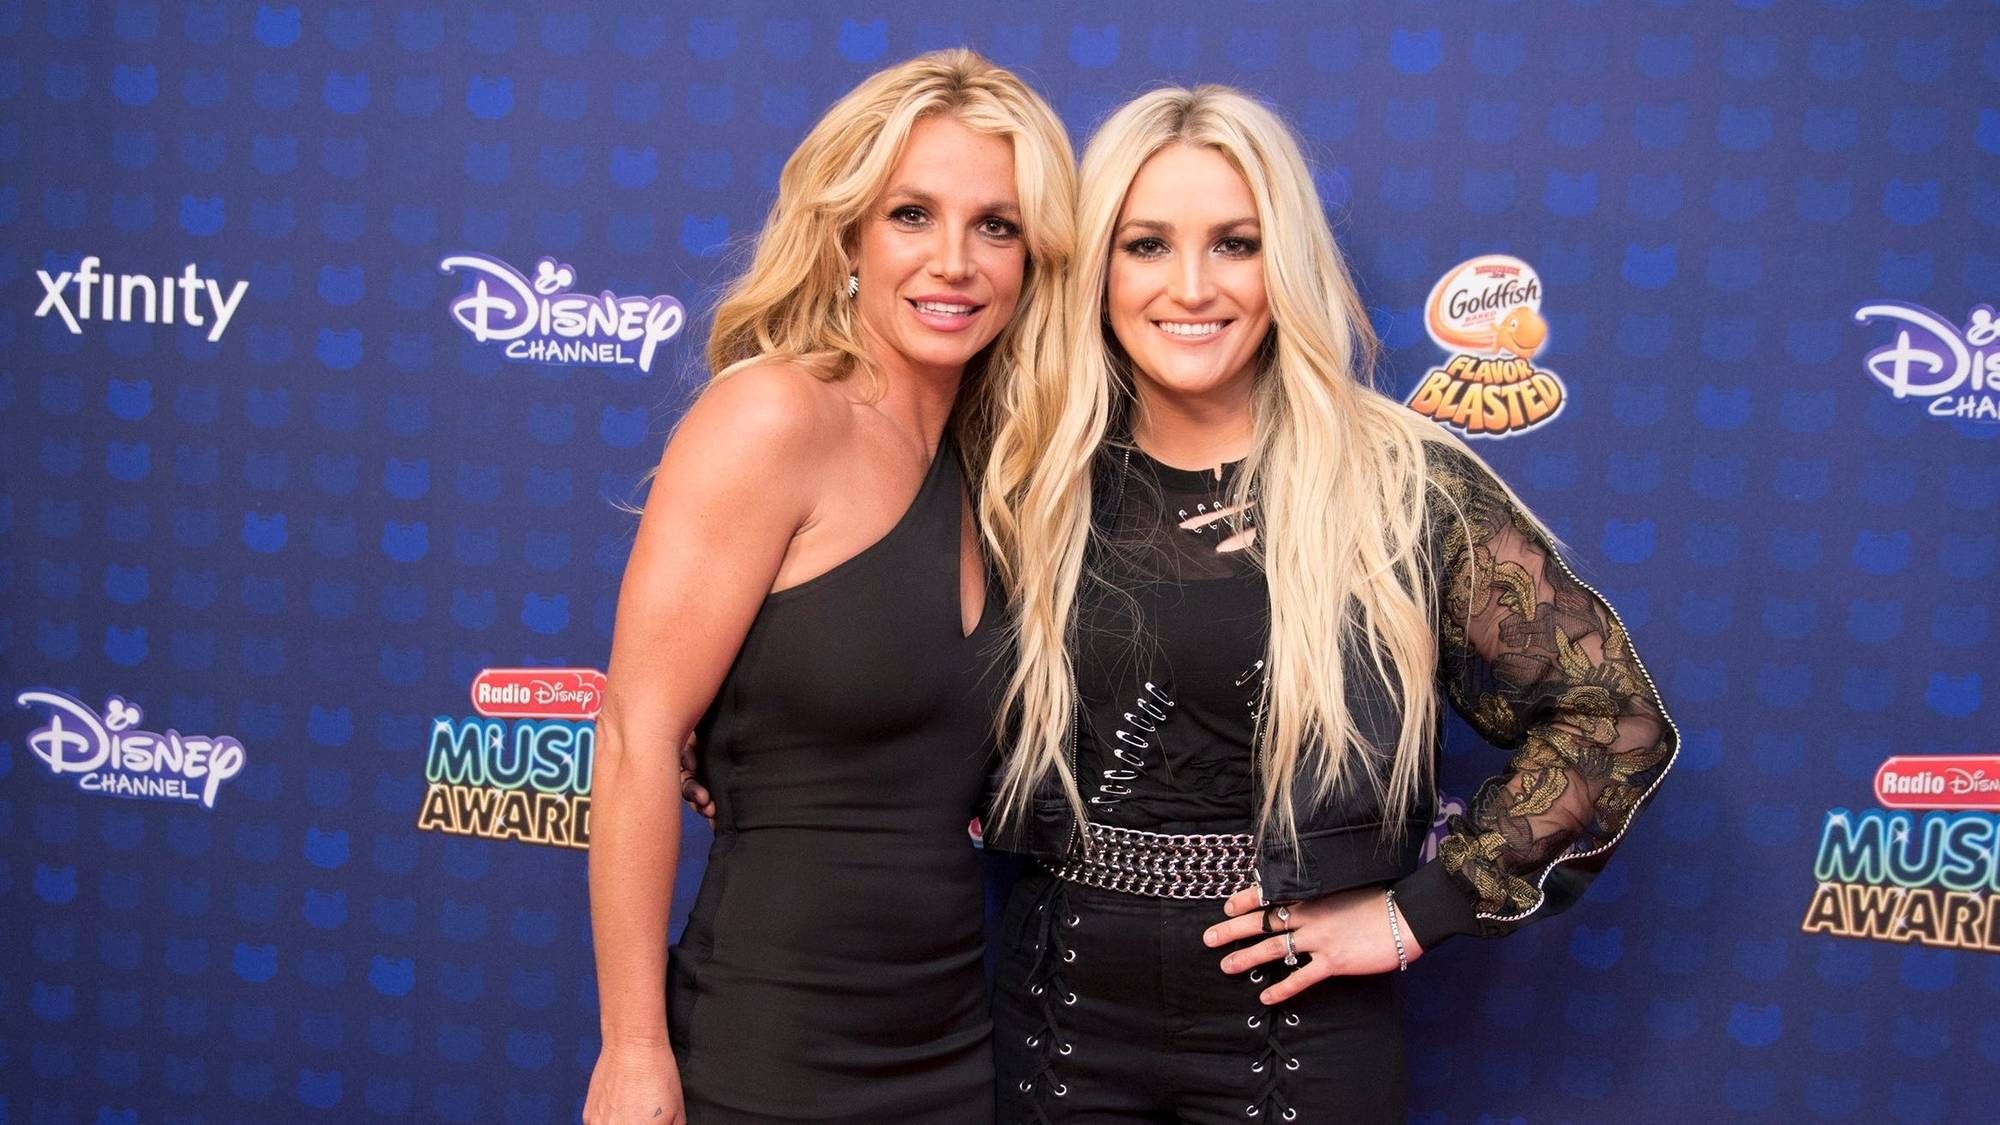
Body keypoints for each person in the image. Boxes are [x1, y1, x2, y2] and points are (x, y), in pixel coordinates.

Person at [978, 85, 1679, 1123]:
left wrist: (1416, 912)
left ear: (1286, 264)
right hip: (1054, 1021)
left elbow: (1614, 720)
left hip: (1297, 1041)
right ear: (1094, 268)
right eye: (1145, 244)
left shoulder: (1396, 483)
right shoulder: (1025, 473)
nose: (1190, 285)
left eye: (1235, 243)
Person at [583, 50, 1073, 1125]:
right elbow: (633, 736)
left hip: (952, 1046)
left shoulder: (1002, 474)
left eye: (995, 226)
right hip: (766, 1046)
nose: (954, 262)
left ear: (1034, 259)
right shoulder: (775, 416)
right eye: (911, 215)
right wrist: (632, 1050)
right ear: (848, 234)